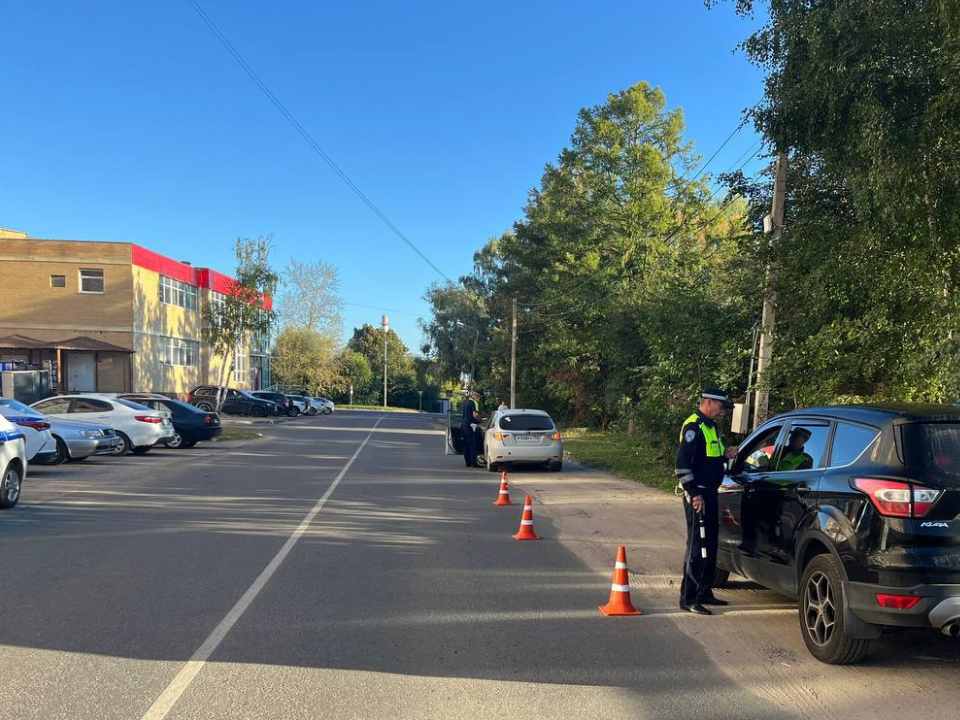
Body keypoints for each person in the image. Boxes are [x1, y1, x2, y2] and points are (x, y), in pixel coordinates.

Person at [674, 386, 739, 615]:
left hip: (711, 492)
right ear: (709, 402)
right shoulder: (694, 426)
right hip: (698, 495)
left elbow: (707, 459)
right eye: (721, 407)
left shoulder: (711, 426)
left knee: (710, 545)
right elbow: (682, 464)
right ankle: (689, 598)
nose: (723, 412)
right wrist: (694, 494)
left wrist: (725, 455)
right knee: (696, 547)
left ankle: (705, 592)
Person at [461, 391, 482, 468]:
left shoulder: (466, 402)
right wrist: (479, 420)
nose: (479, 399)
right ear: (475, 396)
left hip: (464, 425)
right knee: (472, 444)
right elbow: (475, 414)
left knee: (466, 444)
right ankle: (474, 463)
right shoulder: (474, 403)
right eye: (479, 397)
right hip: (470, 425)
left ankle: (468, 462)